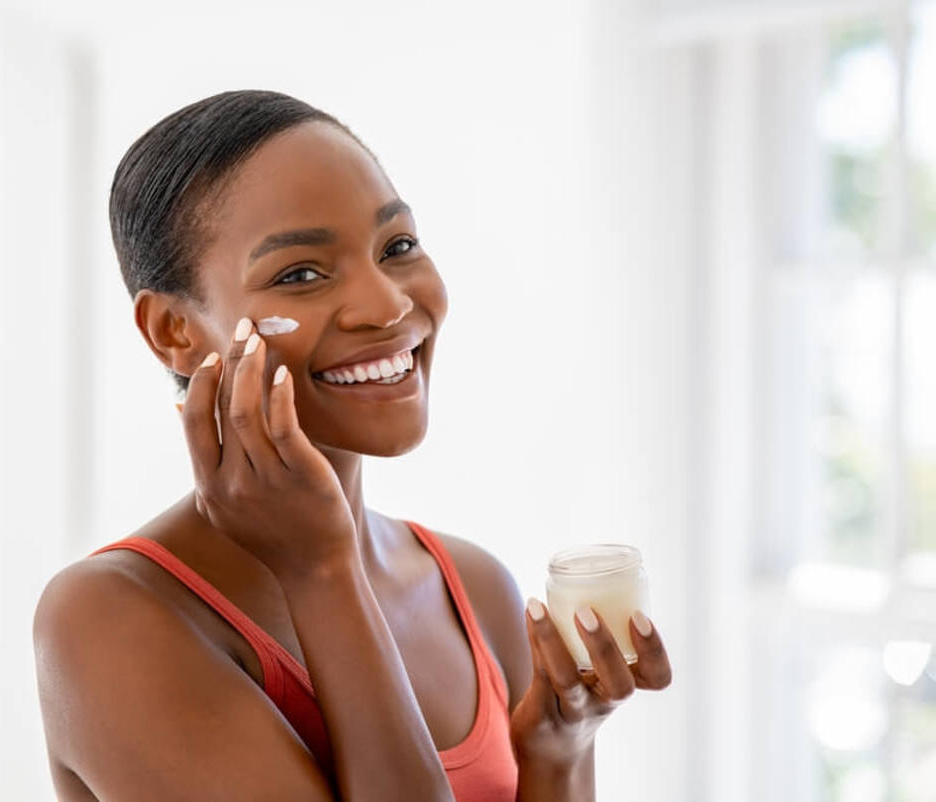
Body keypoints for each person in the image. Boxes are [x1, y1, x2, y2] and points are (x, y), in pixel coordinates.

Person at [33, 89, 672, 802]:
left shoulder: (475, 588)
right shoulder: (111, 619)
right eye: (300, 274)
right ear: (174, 331)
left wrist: (556, 752)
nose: (389, 306)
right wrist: (321, 573)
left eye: (397, 247)